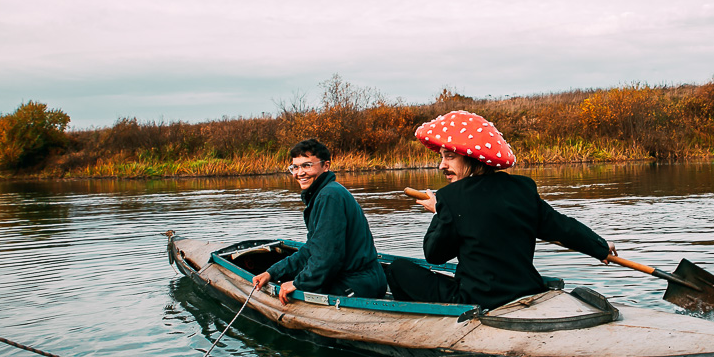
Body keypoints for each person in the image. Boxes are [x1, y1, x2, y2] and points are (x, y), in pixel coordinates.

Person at [389, 110, 616, 309]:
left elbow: (435, 255)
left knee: (398, 269)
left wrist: (440, 212)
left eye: (449, 156)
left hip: (477, 300)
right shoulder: (522, 189)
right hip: (527, 290)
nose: (442, 165)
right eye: (441, 157)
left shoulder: (449, 198)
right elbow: (562, 227)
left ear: (472, 158)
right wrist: (599, 246)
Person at [253, 138, 386, 304]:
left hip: (356, 285)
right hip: (365, 279)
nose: (299, 173)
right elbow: (313, 248)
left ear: (326, 166)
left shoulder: (328, 196)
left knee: (290, 295)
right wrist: (272, 272)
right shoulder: (324, 193)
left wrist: (297, 283)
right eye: (295, 167)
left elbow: (328, 256)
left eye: (307, 165)